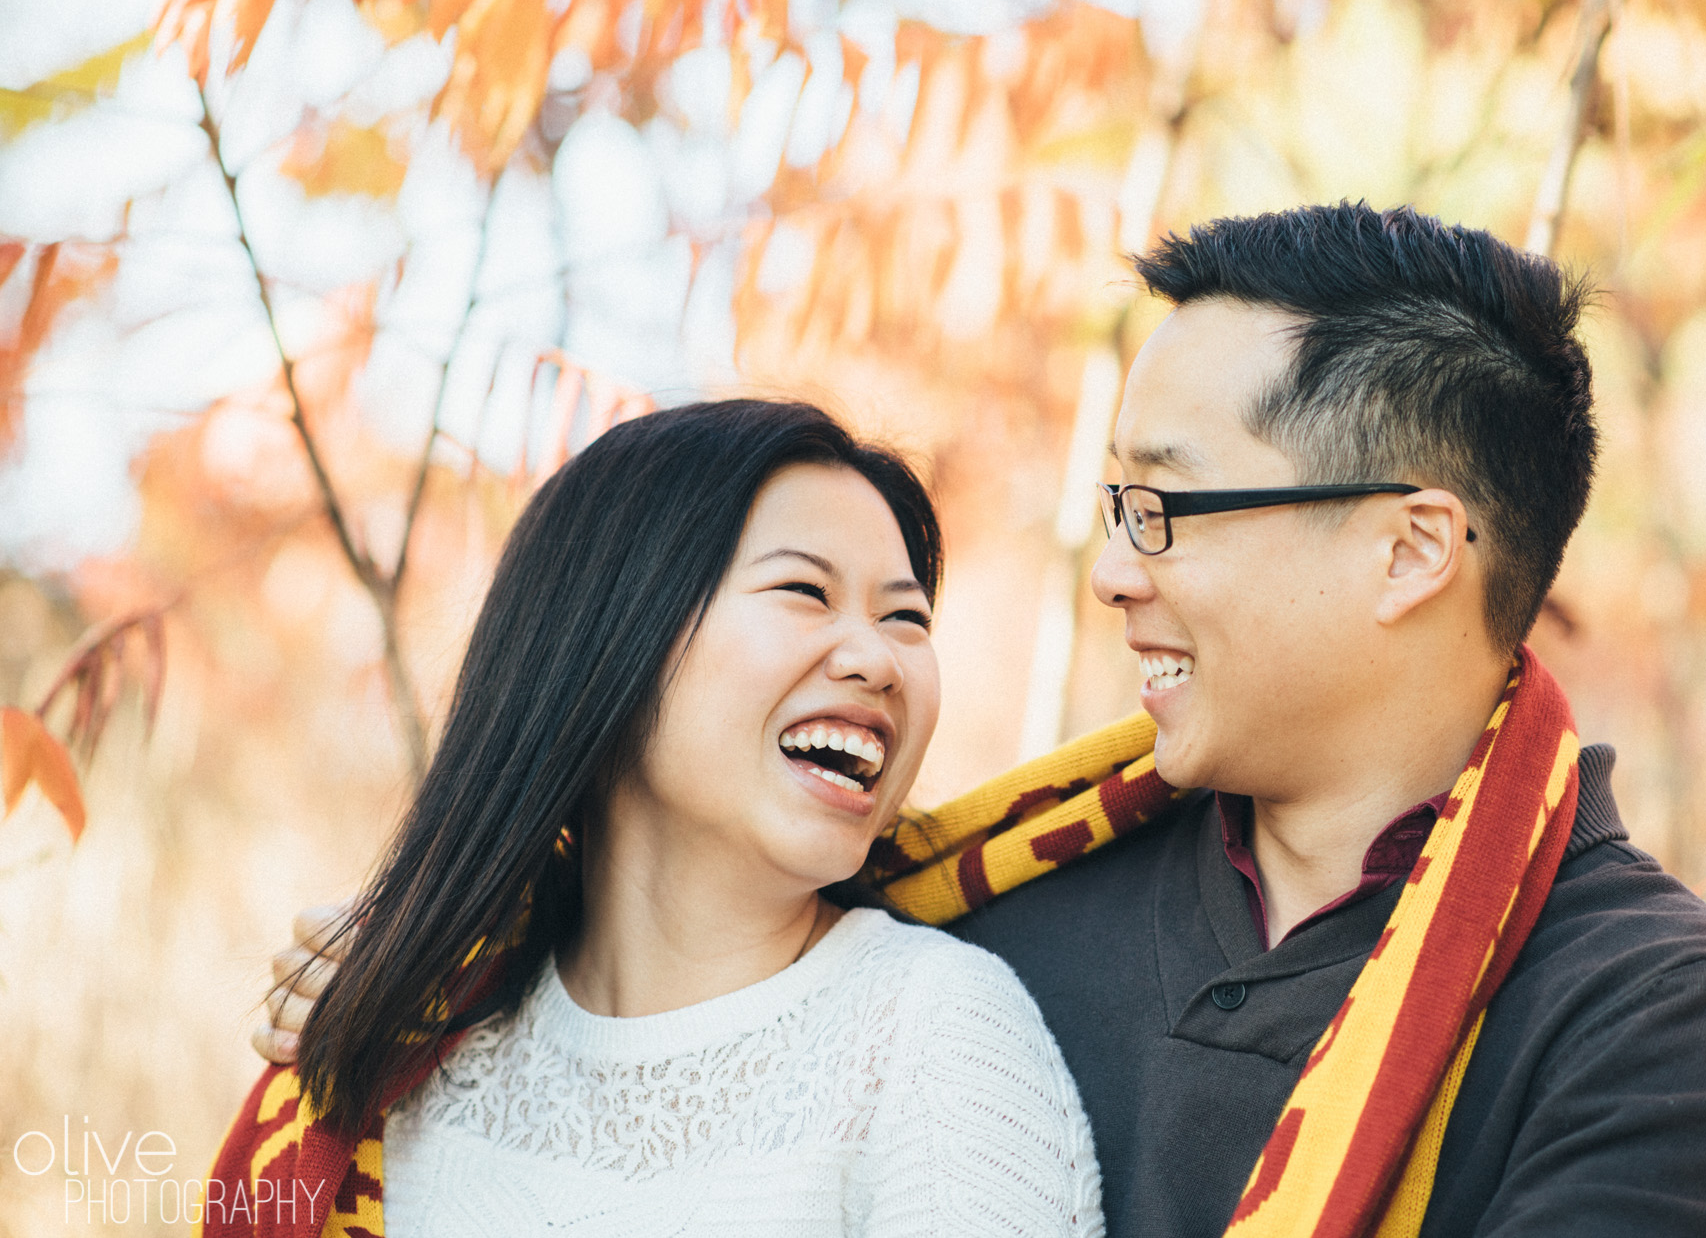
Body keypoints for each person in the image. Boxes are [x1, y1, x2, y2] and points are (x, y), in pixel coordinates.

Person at [262, 203, 1706, 1237]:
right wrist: (425, 954)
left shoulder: (1649, 1016)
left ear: (1409, 546)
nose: (1113, 576)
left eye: (1162, 504)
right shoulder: (1015, 902)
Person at [206, 401, 1105, 1237]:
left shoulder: (934, 1039)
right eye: (804, 591)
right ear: (607, 646)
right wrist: (392, 987)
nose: (878, 657)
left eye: (905, 615)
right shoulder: (407, 1046)